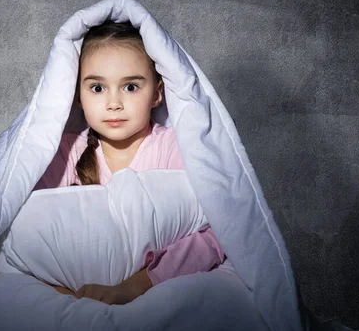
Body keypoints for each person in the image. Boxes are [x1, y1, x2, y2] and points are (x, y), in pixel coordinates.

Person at [31, 21, 225, 305]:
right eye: (97, 87)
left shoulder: (175, 147)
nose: (114, 103)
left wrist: (139, 284)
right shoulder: (64, 153)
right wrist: (60, 289)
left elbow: (216, 233)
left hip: (153, 290)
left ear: (157, 93)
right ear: (77, 96)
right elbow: (33, 231)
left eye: (130, 86)